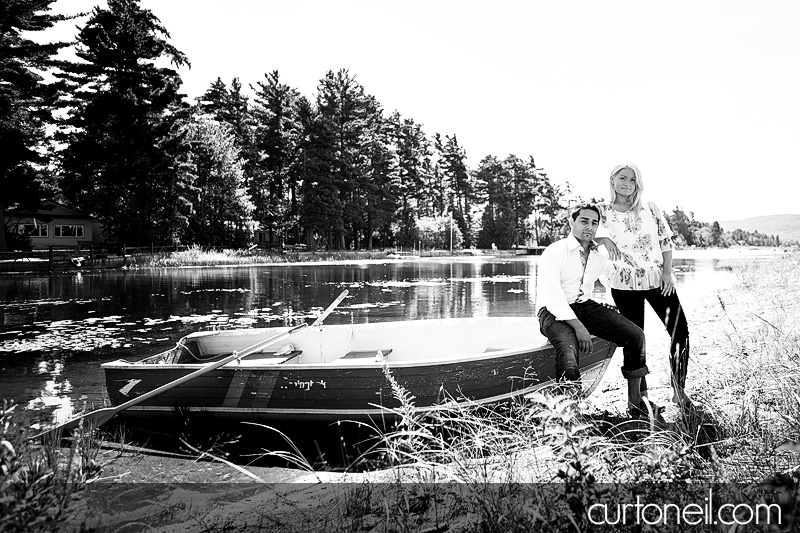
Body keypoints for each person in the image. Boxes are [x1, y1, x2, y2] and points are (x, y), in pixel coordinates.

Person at [536, 203, 654, 418]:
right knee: (568, 345)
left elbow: (613, 279)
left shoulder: (598, 255)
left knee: (636, 335)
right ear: (571, 222)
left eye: (594, 223)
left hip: (585, 306)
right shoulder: (554, 252)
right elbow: (554, 299)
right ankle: (569, 413)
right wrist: (579, 328)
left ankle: (635, 403)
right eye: (583, 221)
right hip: (552, 311)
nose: (589, 226)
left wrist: (604, 242)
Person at [594, 163, 692, 407]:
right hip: (624, 283)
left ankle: (678, 391)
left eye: (633, 180)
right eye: (623, 178)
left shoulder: (650, 208)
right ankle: (641, 396)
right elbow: (580, 229)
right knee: (636, 338)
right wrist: (603, 237)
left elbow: (665, 240)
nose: (627, 183)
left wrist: (668, 272)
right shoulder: (601, 211)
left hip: (658, 280)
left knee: (680, 331)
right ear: (612, 179)